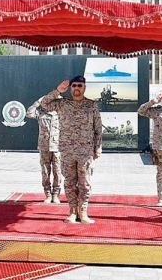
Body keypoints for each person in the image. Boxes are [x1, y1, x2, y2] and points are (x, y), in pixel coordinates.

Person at [41, 75, 102, 224]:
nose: (76, 88)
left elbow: (98, 129)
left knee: (84, 183)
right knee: (69, 182)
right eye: (74, 86)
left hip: (85, 151)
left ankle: (83, 211)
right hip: (67, 150)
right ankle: (72, 211)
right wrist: (57, 91)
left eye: (79, 86)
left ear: (84, 88)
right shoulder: (62, 103)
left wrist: (97, 148)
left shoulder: (91, 105)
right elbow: (44, 103)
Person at [26, 96, 61, 203]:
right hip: (44, 146)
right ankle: (48, 194)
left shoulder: (62, 113)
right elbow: (28, 113)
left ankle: (56, 194)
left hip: (57, 147)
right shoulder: (41, 112)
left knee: (57, 171)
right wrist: (38, 101)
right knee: (45, 172)